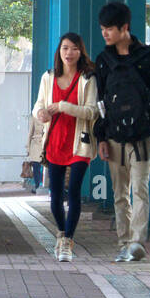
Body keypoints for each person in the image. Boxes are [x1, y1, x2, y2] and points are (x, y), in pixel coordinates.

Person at [92, 1, 150, 263]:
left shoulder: (149, 57)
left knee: (140, 189)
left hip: (143, 136)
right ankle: (124, 242)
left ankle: (137, 242)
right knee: (120, 194)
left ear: (125, 27)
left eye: (109, 29)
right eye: (103, 29)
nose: (105, 34)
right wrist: (101, 137)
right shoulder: (103, 61)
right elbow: (100, 102)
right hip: (113, 136)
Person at [33, 31, 98, 262]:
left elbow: (92, 111)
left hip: (80, 144)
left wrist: (63, 106)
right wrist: (40, 113)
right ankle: (61, 234)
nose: (69, 53)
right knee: (55, 194)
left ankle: (68, 241)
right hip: (55, 142)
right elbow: (38, 105)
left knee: (74, 193)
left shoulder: (87, 79)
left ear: (81, 52)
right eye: (65, 48)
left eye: (74, 48)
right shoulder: (47, 77)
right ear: (58, 52)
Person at [25, 110, 46, 192]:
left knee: (47, 167)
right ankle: (37, 185)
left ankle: (46, 186)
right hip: (36, 144)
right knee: (36, 166)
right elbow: (30, 132)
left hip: (46, 143)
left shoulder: (50, 115)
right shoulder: (34, 117)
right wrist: (28, 147)